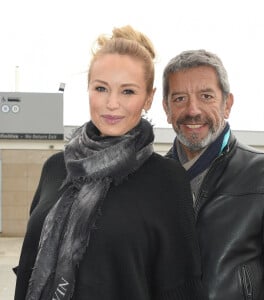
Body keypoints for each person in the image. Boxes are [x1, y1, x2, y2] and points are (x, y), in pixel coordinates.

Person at [14, 26, 203, 300]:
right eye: (101, 88)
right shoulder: (56, 168)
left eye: (127, 91)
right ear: (88, 89)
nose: (112, 103)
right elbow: (29, 269)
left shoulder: (167, 180)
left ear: (148, 98)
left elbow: (181, 286)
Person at [162, 49, 264, 299]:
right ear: (167, 108)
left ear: (227, 104)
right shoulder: (150, 180)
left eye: (206, 96)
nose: (193, 110)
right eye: (180, 98)